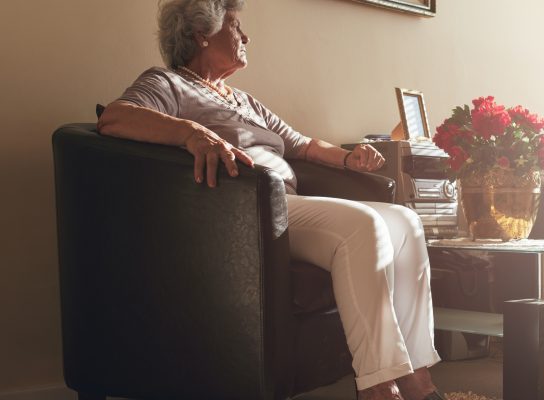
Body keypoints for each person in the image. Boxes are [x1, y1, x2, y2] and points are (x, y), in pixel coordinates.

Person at [96, 1, 444, 399]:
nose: (245, 37)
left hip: (284, 206)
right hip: (243, 211)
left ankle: (418, 379)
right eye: (235, 26)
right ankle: (379, 387)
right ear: (201, 34)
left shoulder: (243, 100)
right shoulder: (168, 83)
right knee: (362, 227)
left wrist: (350, 157)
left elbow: (301, 144)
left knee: (403, 220)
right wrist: (192, 132)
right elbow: (116, 117)